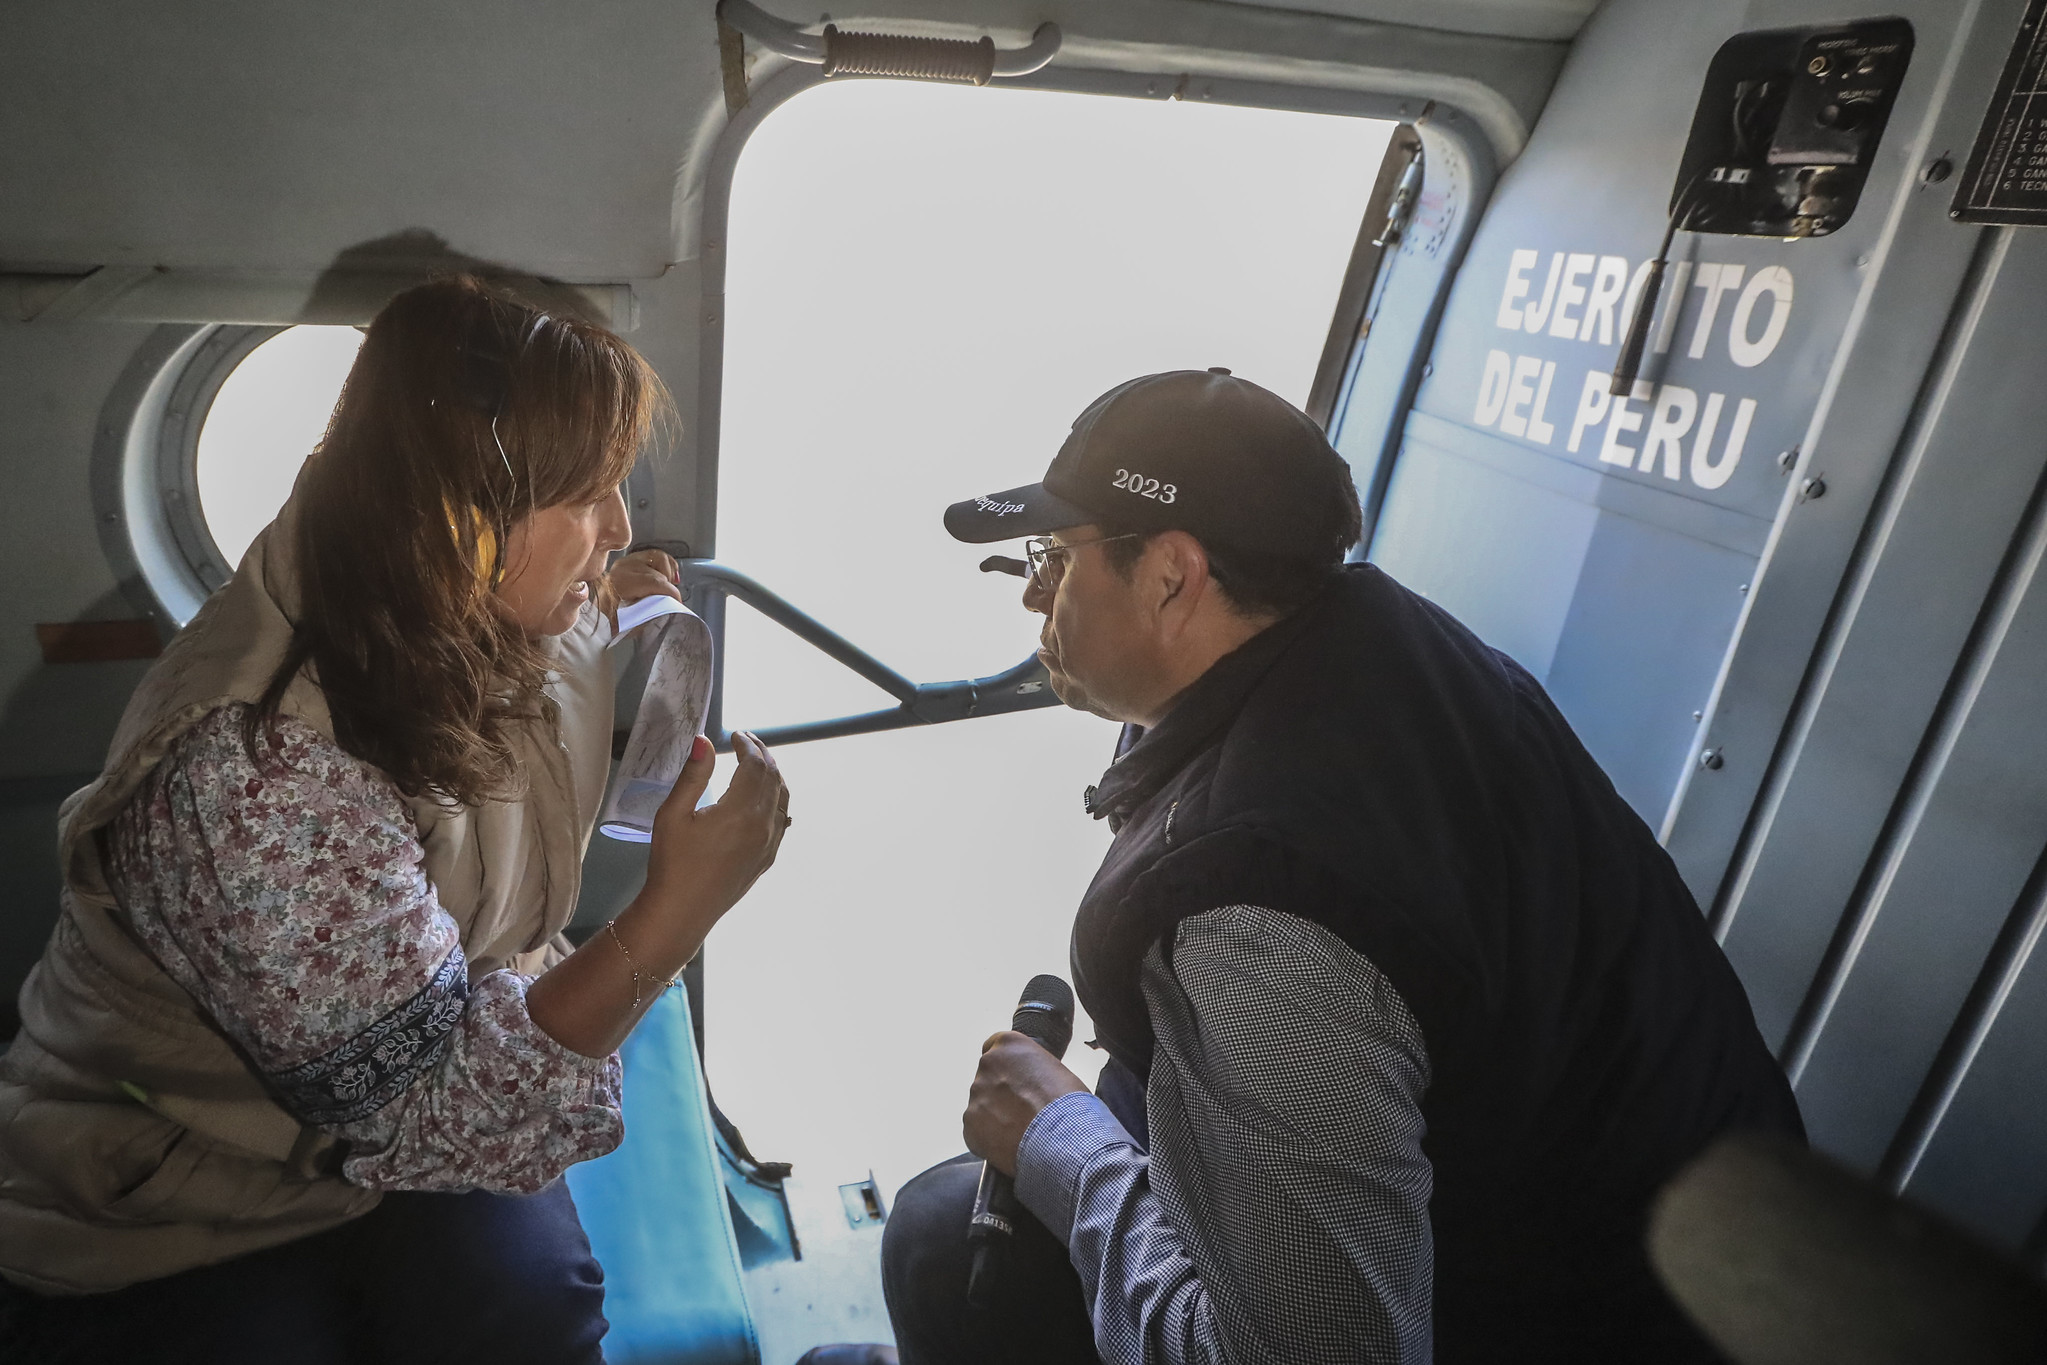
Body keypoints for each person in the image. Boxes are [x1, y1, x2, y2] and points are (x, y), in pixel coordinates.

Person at [879, 369, 1803, 1365]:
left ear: (1170, 576)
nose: (1033, 593)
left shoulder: (1254, 907)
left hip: (1569, 1318)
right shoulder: (1400, 657)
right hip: (1693, 1256)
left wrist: (1061, 1140)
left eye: (1057, 558)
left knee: (942, 1249)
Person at [0, 277, 791, 1363]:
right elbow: (428, 1108)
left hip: (379, 1103)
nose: (618, 527)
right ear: (458, 523)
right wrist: (676, 910)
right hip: (174, 1182)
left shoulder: (435, 598)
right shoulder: (255, 781)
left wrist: (611, 593)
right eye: (587, 499)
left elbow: (548, 645)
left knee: (537, 1317)